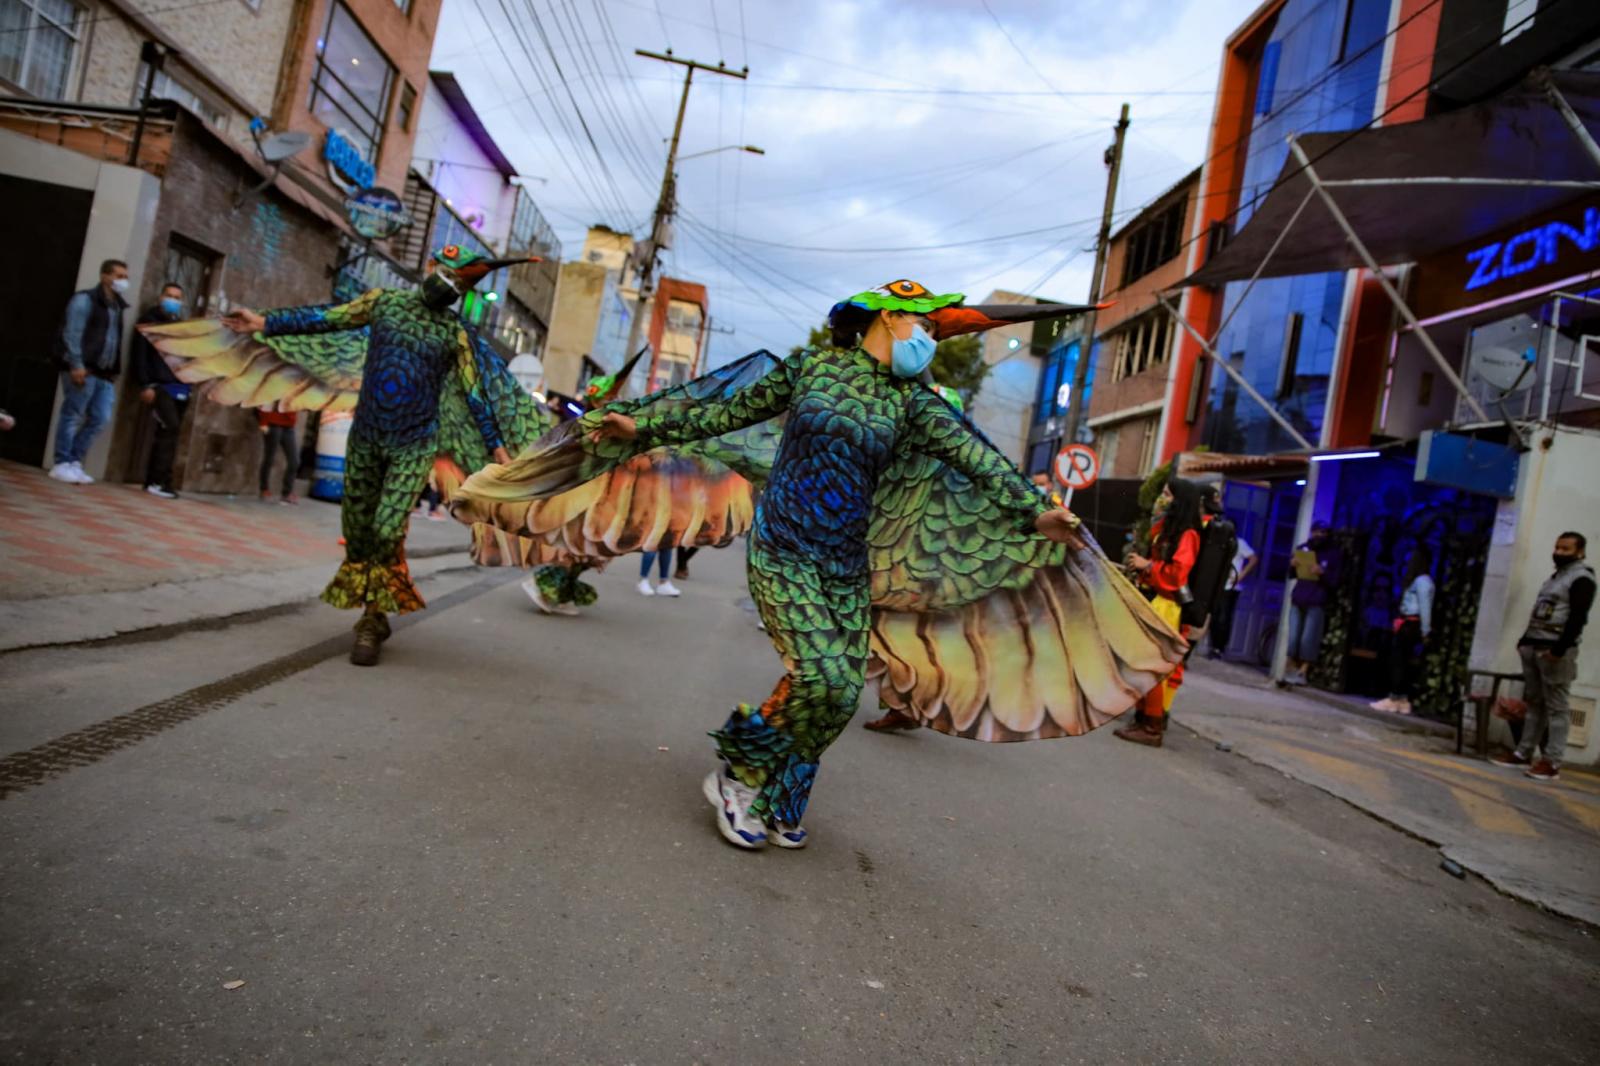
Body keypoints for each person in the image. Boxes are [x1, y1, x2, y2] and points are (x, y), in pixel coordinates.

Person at [575, 280, 1161, 848]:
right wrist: (644, 425)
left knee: (843, 690)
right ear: (887, 316)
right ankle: (739, 774)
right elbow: (725, 412)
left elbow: (978, 458)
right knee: (821, 676)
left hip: (845, 564)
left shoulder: (912, 405)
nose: (928, 340)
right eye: (925, 325)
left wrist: (1037, 511)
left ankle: (784, 796)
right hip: (785, 549)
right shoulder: (812, 369)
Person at [213, 246, 534, 666]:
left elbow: (475, 397)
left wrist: (498, 450)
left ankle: (371, 619)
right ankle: (376, 607)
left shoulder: (454, 333)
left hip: (414, 444)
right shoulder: (383, 303)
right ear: (431, 267)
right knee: (360, 534)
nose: (452, 286)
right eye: (450, 275)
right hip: (366, 437)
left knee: (387, 529)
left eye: (463, 284)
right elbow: (325, 320)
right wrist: (264, 322)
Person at [1492, 532, 1594, 782]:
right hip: (1534, 646)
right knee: (1535, 702)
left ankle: (1552, 761)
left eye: (1566, 549)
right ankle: (1523, 752)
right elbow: (1541, 611)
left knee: (1557, 706)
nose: (1559, 552)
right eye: (1557, 547)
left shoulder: (1582, 579)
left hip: (1555, 650)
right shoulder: (1555, 578)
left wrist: (1559, 649)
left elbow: (1577, 618)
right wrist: (1524, 641)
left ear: (1579, 552)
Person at [1113, 478, 1205, 748]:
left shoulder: (1188, 534)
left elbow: (1177, 576)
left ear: (1179, 500)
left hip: (1167, 606)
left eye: (1166, 494)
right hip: (1156, 601)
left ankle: (1152, 727)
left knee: (1151, 665)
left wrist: (1147, 566)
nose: (1161, 499)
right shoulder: (1170, 529)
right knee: (1141, 663)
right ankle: (1143, 719)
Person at [50, 259, 129, 484]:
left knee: (100, 417)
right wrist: (76, 364)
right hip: (83, 368)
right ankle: (61, 462)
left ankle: (74, 460)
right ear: (105, 276)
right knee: (73, 413)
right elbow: (72, 333)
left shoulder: (117, 307)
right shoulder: (85, 300)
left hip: (104, 373)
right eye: (119, 276)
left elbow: (113, 340)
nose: (123, 281)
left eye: (125, 276)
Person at [130, 281, 190, 499]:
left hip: (179, 388)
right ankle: (157, 481)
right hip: (159, 385)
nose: (173, 300)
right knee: (169, 428)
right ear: (160, 297)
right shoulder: (149, 322)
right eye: (169, 296)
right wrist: (146, 384)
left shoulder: (178, 326)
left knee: (170, 433)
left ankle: (159, 480)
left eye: (177, 297)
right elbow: (140, 355)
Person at [1370, 547, 1434, 716]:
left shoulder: (1422, 581)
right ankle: (1401, 700)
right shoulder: (1419, 581)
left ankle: (1395, 697)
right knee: (1401, 661)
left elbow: (1425, 608)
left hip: (1411, 624)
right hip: (1408, 623)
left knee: (1398, 662)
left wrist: (1425, 631)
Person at [1282, 520, 1342, 687]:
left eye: (1323, 532)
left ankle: (1303, 672)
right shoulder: (1303, 548)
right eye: (1316, 532)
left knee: (1308, 639)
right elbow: (1292, 574)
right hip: (1299, 597)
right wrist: (1292, 566)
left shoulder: (1333, 554)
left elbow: (1336, 581)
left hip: (1317, 600)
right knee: (1293, 637)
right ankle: (1291, 669)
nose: (1319, 535)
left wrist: (1322, 573)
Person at [258, 408, 300, 504]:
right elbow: (266, 401)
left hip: (289, 426)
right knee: (269, 458)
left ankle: (287, 493)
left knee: (294, 461)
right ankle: (264, 489)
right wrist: (263, 422)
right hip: (272, 423)